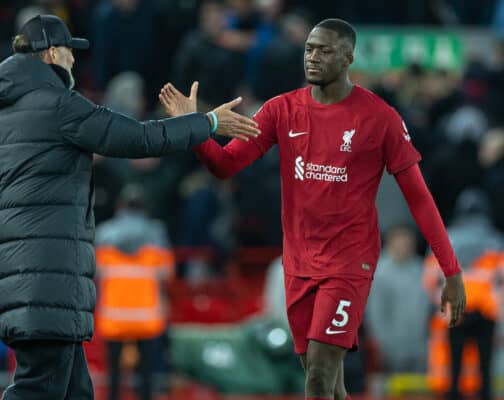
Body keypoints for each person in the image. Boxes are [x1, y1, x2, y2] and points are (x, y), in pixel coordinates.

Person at [0, 14, 259, 400]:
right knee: (37, 389)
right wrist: (208, 122)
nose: (73, 60)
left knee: (75, 391)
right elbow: (140, 139)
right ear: (50, 53)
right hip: (52, 283)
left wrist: (10, 249)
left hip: (28, 286)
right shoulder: (62, 106)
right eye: (68, 52)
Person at [159, 18, 466, 400]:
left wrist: (450, 270)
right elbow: (224, 166)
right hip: (299, 263)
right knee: (329, 383)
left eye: (324, 50)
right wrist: (194, 126)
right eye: (309, 49)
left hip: (349, 263)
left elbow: (419, 198)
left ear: (348, 58)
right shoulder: (280, 111)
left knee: (319, 375)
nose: (313, 57)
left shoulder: (379, 118)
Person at [94, 184, 174, 400]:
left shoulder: (104, 233)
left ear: (120, 205)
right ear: (145, 207)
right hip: (147, 316)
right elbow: (166, 273)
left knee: (113, 375)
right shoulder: (156, 233)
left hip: (113, 315)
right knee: (146, 375)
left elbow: (97, 272)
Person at [365, 224, 430, 373]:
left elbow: (429, 308)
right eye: (399, 240)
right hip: (390, 350)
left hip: (420, 348)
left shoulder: (422, 269)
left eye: (408, 241)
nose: (404, 245)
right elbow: (376, 314)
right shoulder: (379, 272)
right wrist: (383, 345)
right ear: (389, 242)